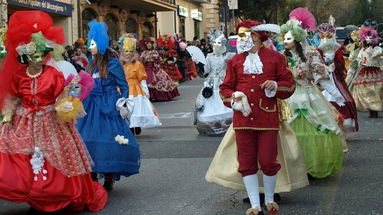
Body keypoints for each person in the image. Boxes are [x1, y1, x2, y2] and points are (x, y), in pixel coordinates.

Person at [0, 11, 107, 213]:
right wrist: (7, 117)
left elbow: (65, 94)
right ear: (25, 56)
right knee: (23, 159)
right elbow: (12, 98)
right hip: (25, 122)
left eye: (42, 54)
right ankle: (34, 194)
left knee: (54, 158)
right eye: (35, 55)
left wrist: (68, 102)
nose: (40, 58)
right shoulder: (19, 75)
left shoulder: (53, 73)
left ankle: (54, 194)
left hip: (51, 121)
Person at [220, 20, 295, 215]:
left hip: (267, 119)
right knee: (246, 162)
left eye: (247, 35)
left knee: (268, 161)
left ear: (258, 37)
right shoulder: (234, 62)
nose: (244, 40)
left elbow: (289, 83)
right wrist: (233, 97)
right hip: (243, 121)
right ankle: (254, 204)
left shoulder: (276, 58)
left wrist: (276, 86)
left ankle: (270, 200)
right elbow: (225, 89)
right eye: (242, 36)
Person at [76, 19, 140, 191]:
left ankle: (109, 177)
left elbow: (124, 84)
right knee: (87, 139)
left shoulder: (112, 63)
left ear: (101, 44)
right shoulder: (90, 62)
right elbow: (85, 83)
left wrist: (123, 102)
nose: (90, 47)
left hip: (108, 104)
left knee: (108, 141)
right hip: (90, 104)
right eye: (89, 43)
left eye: (93, 43)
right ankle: (92, 175)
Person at [280, 19, 345, 178]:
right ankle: (290, 167)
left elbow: (319, 72)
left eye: (288, 38)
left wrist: (335, 93)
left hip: (308, 95)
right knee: (287, 131)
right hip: (288, 96)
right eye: (284, 38)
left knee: (315, 128)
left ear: (296, 38)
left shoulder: (310, 53)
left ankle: (311, 164)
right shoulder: (281, 56)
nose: (285, 42)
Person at [317, 22, 358, 132]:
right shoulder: (318, 50)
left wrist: (335, 63)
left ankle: (343, 123)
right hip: (324, 77)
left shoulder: (338, 48)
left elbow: (341, 65)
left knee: (341, 95)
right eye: (323, 35)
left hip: (335, 77)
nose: (326, 38)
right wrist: (324, 65)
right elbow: (315, 64)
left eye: (328, 35)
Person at [194, 30, 234, 136]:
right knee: (208, 102)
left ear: (223, 44)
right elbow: (206, 70)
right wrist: (199, 63)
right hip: (211, 83)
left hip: (223, 81)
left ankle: (225, 123)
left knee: (222, 102)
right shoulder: (209, 56)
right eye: (214, 43)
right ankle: (212, 124)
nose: (216, 45)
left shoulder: (229, 56)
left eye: (219, 43)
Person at [120, 34, 161, 135]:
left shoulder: (138, 65)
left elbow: (142, 79)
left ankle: (136, 125)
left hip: (135, 90)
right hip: (124, 89)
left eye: (130, 51)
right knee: (126, 110)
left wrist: (146, 92)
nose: (128, 54)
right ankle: (129, 126)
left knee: (136, 109)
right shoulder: (120, 65)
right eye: (126, 51)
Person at [351, 26, 383, 118]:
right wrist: (361, 63)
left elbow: (374, 56)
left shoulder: (377, 49)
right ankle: (370, 109)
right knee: (366, 90)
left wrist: (369, 48)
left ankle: (375, 110)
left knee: (376, 90)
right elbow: (359, 59)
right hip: (365, 72)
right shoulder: (362, 50)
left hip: (375, 72)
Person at [140, 36, 180, 101]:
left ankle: (158, 96)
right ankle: (151, 96)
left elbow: (159, 60)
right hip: (146, 69)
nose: (149, 45)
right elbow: (141, 62)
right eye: (147, 44)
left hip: (155, 69)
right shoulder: (144, 53)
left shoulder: (155, 52)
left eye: (150, 44)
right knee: (147, 82)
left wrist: (156, 65)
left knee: (157, 81)